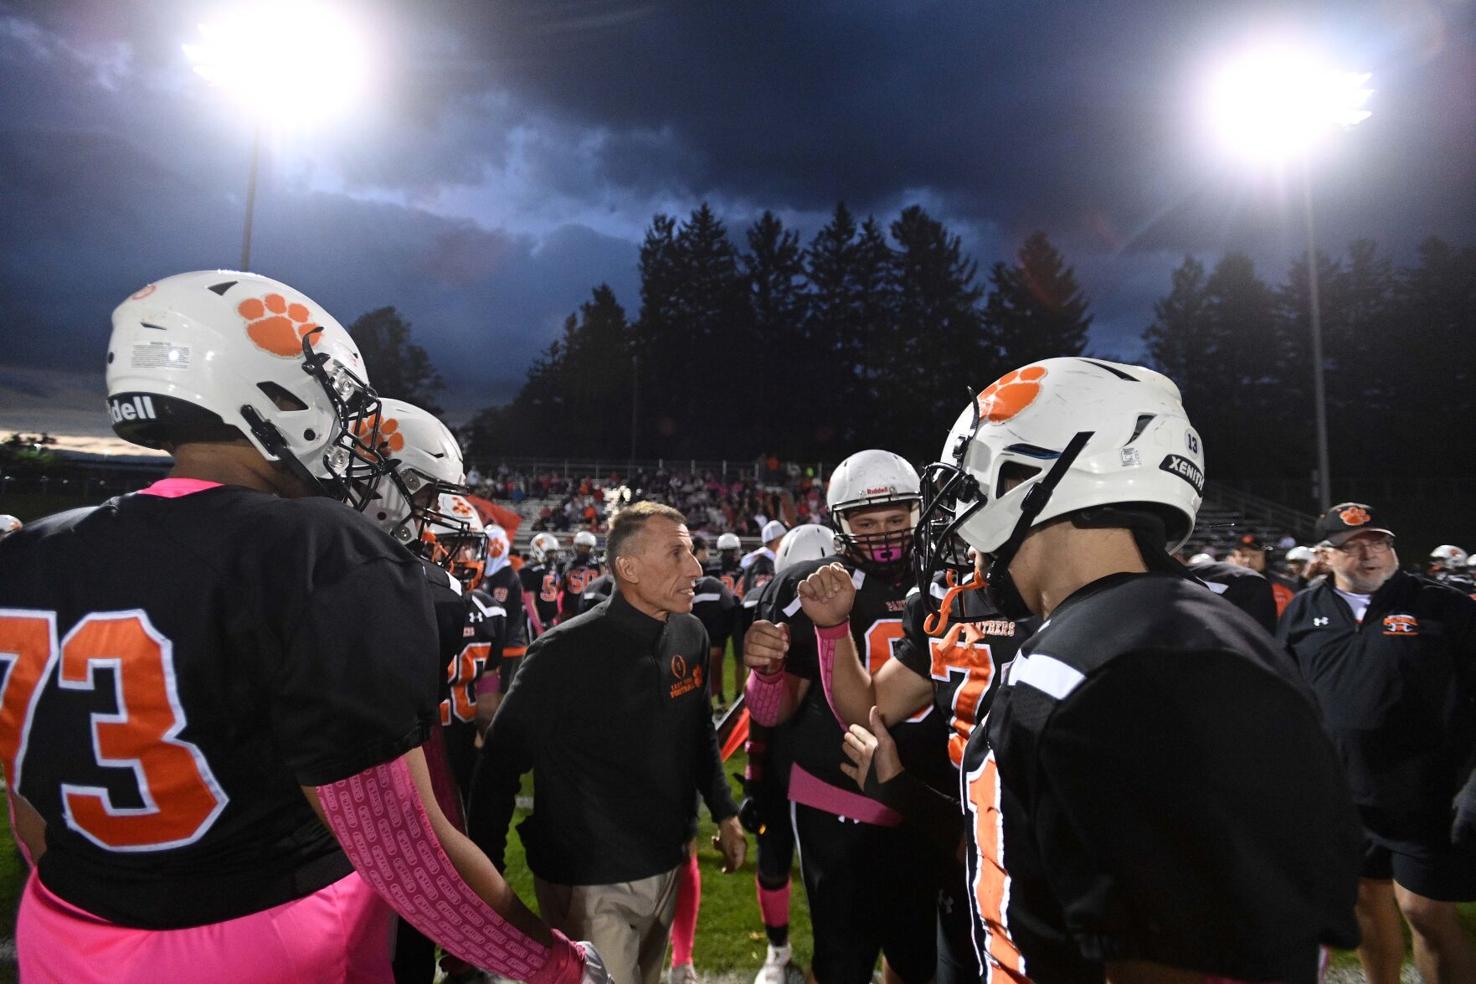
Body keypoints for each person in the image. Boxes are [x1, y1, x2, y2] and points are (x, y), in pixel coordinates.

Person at [0, 271, 605, 983]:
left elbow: (31, 812)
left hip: (67, 934)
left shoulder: (30, 553)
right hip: (268, 943)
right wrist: (549, 963)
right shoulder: (321, 551)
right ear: (269, 389)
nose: (347, 427)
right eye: (335, 396)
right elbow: (398, 848)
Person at [919, 357, 1361, 983]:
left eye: (969, 490)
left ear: (1027, 478)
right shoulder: (1142, 633)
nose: (965, 536)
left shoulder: (1140, 673)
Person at [470, 501, 746, 984]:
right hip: (590, 876)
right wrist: (487, 884)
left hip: (666, 860)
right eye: (678, 554)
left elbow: (697, 727)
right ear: (629, 568)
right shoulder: (561, 654)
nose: (696, 568)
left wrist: (725, 811)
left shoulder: (690, 633)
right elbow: (498, 765)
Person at [741, 451, 944, 984]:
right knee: (842, 959)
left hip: (926, 797)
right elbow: (773, 712)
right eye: (868, 523)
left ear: (918, 514)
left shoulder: (948, 579)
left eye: (897, 520)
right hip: (837, 798)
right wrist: (766, 674)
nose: (885, 535)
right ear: (839, 524)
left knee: (922, 955)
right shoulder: (808, 586)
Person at [1280, 502, 1476, 984]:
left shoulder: (1441, 604)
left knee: (1426, 911)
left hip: (1428, 792)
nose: (1369, 554)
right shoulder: (1304, 609)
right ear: (1326, 556)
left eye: (1378, 541)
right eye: (1352, 546)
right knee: (1366, 901)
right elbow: (1288, 687)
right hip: (1343, 792)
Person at [1226, 533, 1297, 615]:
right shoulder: (1222, 585)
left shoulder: (1286, 586)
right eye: (1243, 555)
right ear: (1233, 558)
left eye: (1254, 556)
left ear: (1265, 557)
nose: (1247, 561)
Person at [521, 531, 563, 638]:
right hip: (537, 620)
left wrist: (557, 615)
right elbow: (530, 602)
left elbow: (556, 594)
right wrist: (538, 627)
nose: (553, 556)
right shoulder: (528, 570)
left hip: (551, 620)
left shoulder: (551, 567)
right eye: (550, 553)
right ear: (538, 550)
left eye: (554, 552)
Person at [558, 529, 602, 623]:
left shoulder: (566, 563)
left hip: (581, 606)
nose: (583, 550)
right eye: (581, 547)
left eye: (585, 547)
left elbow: (560, 586)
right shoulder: (598, 565)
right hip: (581, 606)